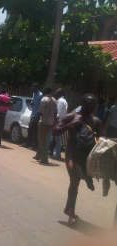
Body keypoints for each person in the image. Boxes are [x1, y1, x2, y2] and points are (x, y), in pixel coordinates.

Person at [53, 94, 103, 224]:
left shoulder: (96, 121)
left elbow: (102, 140)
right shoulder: (72, 117)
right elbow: (55, 131)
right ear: (82, 104)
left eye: (94, 104)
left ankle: (68, 208)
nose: (92, 106)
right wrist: (68, 127)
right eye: (89, 104)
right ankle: (71, 214)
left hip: (87, 158)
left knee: (77, 181)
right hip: (71, 155)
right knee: (74, 181)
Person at [31, 86, 57, 164]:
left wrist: (33, 121)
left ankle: (44, 159)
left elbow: (40, 112)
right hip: (51, 122)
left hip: (44, 122)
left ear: (45, 92)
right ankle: (38, 155)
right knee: (42, 139)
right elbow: (56, 113)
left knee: (42, 141)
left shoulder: (44, 100)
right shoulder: (54, 100)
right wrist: (54, 122)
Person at [21, 83, 43, 149]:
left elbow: (41, 106)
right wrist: (31, 103)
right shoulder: (34, 95)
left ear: (38, 88)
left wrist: (38, 116)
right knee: (30, 130)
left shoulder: (40, 95)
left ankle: (34, 146)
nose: (33, 88)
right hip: (32, 114)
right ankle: (28, 143)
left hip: (37, 115)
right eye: (32, 87)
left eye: (34, 87)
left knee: (35, 131)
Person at [52, 88, 68, 160]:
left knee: (58, 139)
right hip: (61, 121)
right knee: (57, 139)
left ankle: (56, 154)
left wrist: (54, 121)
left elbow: (58, 113)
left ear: (60, 93)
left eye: (56, 92)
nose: (55, 93)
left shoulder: (60, 101)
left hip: (58, 122)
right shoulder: (63, 101)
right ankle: (56, 153)